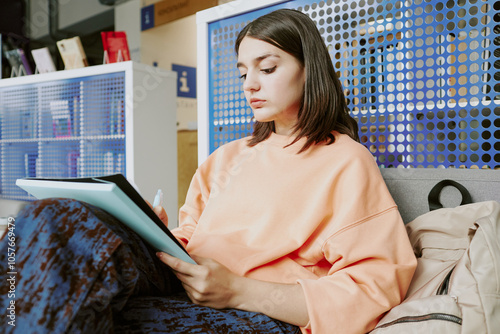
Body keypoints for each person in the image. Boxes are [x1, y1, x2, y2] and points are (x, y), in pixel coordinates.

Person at [0, 8, 416, 334]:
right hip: (181, 281)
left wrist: (239, 289)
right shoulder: (227, 156)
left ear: (310, 69)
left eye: (267, 69)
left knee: (80, 310)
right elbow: (191, 238)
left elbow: (373, 290)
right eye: (243, 72)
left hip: (257, 311)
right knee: (50, 215)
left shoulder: (345, 161)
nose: (250, 84)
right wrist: (152, 231)